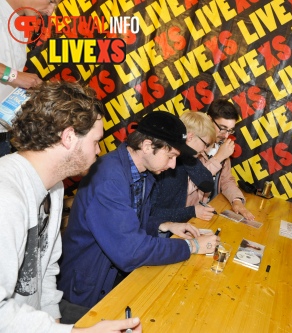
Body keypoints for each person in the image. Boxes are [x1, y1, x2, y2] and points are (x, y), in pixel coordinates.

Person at [0, 81, 141, 332]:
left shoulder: (54, 187)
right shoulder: (6, 198)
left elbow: (45, 272)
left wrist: (55, 322)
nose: (98, 151)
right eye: (96, 141)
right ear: (68, 137)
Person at [58, 111, 219, 309]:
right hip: (85, 294)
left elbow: (129, 225)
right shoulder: (109, 179)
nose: (173, 165)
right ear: (147, 146)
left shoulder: (143, 174)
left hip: (108, 279)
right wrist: (192, 247)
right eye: (170, 156)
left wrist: (164, 226)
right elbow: (130, 251)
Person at [189, 99, 254, 220]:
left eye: (230, 130)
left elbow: (226, 180)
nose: (226, 135)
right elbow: (190, 183)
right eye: (223, 128)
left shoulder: (221, 147)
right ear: (209, 119)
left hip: (208, 210)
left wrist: (237, 201)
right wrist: (219, 157)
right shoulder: (193, 145)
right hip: (189, 214)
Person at [151, 111, 217, 222]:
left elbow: (207, 184)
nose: (205, 149)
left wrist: (187, 156)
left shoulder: (187, 159)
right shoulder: (161, 163)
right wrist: (192, 211)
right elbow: (149, 213)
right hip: (156, 229)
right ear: (190, 137)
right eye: (205, 144)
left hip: (174, 225)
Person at [1, 0, 45, 156]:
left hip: (4, 133)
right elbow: (14, 75)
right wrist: (15, 76)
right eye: (51, 1)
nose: (51, 11)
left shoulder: (20, 23)